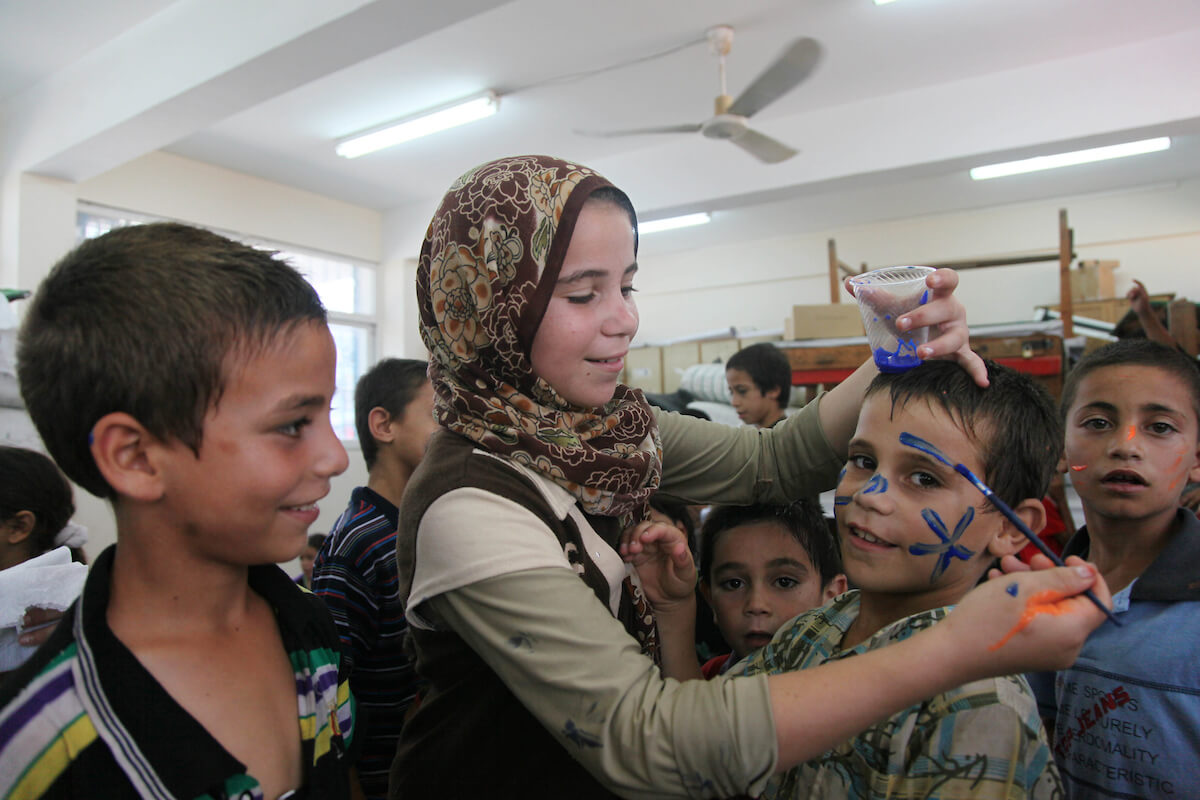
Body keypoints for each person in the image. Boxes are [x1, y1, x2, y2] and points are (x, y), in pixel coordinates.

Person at [390, 154, 1109, 799]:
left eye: (628, 285)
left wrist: (899, 348)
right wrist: (955, 646)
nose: (625, 321)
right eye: (584, 295)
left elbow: (770, 464)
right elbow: (644, 739)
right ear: (489, 313)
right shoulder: (469, 504)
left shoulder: (605, 431)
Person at [0, 223, 356, 799]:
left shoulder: (312, 632)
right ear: (137, 458)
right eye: (293, 424)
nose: (336, 458)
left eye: (327, 417)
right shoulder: (42, 744)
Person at [694, 359, 1065, 798]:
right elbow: (702, 739)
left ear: (1010, 528)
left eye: (924, 478)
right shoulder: (819, 626)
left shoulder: (977, 703)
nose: (871, 495)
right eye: (863, 461)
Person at [1025, 338, 1200, 798]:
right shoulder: (1045, 592)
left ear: (1197, 458)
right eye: (1098, 423)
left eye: (1159, 427)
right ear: (1060, 449)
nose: (1126, 446)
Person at [311, 356, 436, 800]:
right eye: (439, 414)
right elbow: (328, 692)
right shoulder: (356, 546)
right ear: (384, 425)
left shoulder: (429, 527)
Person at [698, 501, 845, 678]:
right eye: (734, 584)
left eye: (784, 582)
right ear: (710, 599)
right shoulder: (707, 678)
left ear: (832, 596)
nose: (756, 605)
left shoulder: (859, 688)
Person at [726, 342, 792, 428]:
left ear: (773, 390)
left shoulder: (784, 439)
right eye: (731, 392)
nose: (734, 402)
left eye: (742, 391)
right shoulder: (750, 435)